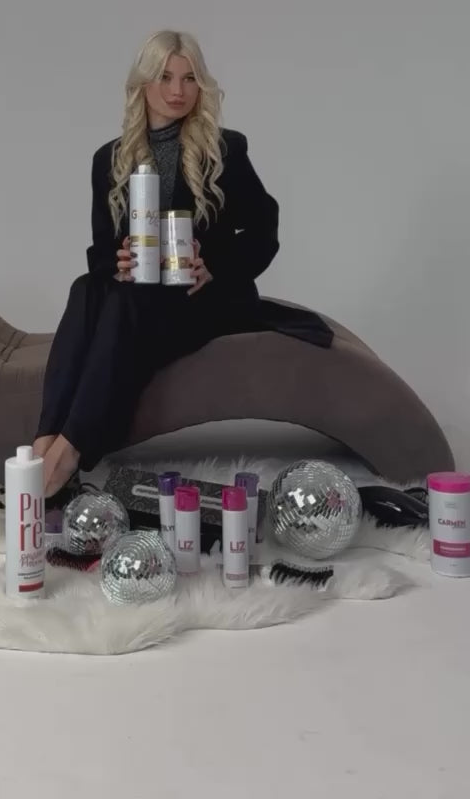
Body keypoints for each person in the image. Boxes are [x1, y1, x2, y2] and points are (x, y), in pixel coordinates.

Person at [33, 29, 332, 497]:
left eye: (189, 78)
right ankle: (44, 442)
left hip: (203, 301)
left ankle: (65, 456)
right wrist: (118, 261)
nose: (178, 90)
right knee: (85, 288)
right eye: (166, 77)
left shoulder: (224, 149)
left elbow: (264, 230)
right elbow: (99, 252)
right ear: (143, 84)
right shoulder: (108, 160)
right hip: (140, 297)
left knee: (122, 304)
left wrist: (215, 266)